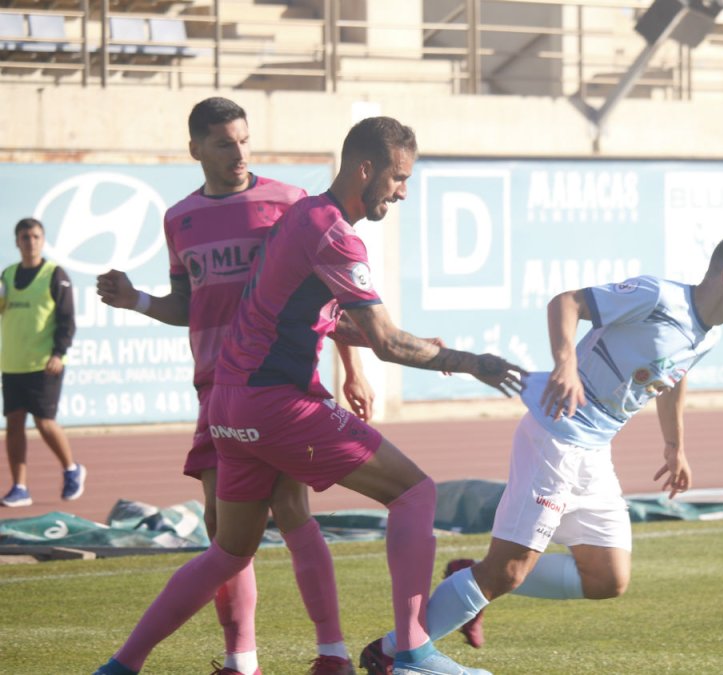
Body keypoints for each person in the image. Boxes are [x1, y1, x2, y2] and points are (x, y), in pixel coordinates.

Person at [94, 116, 524, 675]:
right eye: (398, 178)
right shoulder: (333, 234)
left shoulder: (301, 215)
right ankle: (413, 652)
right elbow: (387, 341)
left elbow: (325, 321)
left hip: (227, 404)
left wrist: (405, 347)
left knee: (229, 550)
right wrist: (473, 364)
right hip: (276, 403)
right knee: (414, 493)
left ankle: (121, 666)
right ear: (365, 169)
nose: (403, 192)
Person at [358, 232, 723, 672]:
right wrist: (565, 364)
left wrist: (675, 446)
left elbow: (674, 378)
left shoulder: (708, 337)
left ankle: (474, 576)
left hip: (595, 451)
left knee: (607, 578)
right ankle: (392, 652)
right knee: (508, 571)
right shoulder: (658, 296)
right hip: (555, 437)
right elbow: (566, 302)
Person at [96, 97, 372, 675]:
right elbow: (186, 305)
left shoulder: (288, 203)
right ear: (195, 148)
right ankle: (241, 661)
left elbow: (330, 287)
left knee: (292, 509)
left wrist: (353, 367)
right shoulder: (179, 219)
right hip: (215, 388)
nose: (238, 153)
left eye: (245, 140)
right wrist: (136, 300)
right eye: (224, 143)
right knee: (224, 531)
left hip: (281, 381)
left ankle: (332, 653)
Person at [0, 217, 85, 508]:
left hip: (45, 364)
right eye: (25, 237)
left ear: (42, 240)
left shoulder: (54, 274)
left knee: (45, 423)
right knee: (13, 426)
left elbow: (67, 320)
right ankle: (20, 487)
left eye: (35, 236)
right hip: (12, 364)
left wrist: (58, 354)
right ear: (17, 241)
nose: (30, 241)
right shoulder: (7, 276)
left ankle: (72, 469)